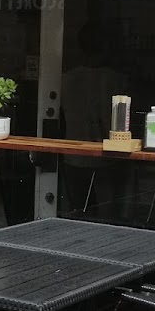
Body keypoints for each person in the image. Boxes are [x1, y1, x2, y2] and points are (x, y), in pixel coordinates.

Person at [60, 24, 130, 220]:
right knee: (107, 214)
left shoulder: (66, 79)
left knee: (78, 211)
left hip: (73, 154)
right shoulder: (114, 79)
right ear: (106, 46)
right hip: (104, 156)